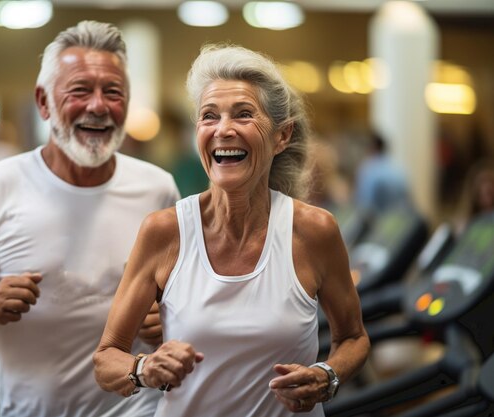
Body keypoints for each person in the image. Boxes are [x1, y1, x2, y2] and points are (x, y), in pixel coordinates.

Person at [93, 44, 370, 416]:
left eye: (243, 115)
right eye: (209, 116)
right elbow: (106, 358)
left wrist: (327, 376)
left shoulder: (314, 231)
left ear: (281, 136)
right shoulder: (164, 232)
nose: (223, 129)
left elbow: (353, 338)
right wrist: (144, 369)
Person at [0, 21, 180, 417]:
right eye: (80, 90)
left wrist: (169, 318)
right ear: (43, 102)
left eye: (113, 92)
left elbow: (191, 302)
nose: (98, 105)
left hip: (139, 409)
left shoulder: (157, 189)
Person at [354, 131, 411, 213]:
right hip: (399, 219)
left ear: (372, 147)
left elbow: (365, 204)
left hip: (379, 221)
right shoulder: (400, 168)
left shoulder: (369, 169)